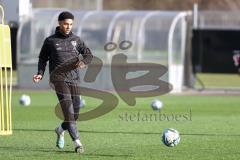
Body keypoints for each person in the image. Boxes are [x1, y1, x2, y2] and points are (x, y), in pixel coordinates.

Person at [33, 11, 93, 153]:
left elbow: (89, 55)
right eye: (66, 24)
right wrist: (40, 74)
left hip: (74, 79)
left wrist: (84, 62)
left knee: (75, 113)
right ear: (59, 23)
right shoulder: (50, 41)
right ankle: (78, 143)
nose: (68, 26)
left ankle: (60, 129)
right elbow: (42, 58)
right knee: (68, 111)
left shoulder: (77, 40)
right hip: (58, 79)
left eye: (70, 24)